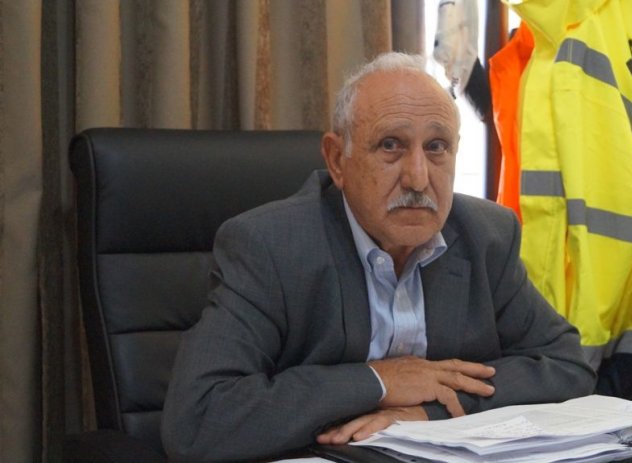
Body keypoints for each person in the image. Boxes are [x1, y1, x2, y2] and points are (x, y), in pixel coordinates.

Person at [161, 52, 596, 462]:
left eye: (437, 147)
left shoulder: (486, 236)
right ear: (337, 160)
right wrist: (380, 381)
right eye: (391, 145)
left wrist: (431, 411)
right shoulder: (269, 246)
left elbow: (565, 365)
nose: (418, 178)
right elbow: (199, 419)